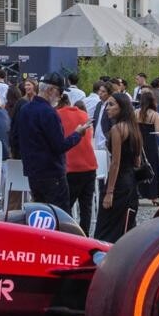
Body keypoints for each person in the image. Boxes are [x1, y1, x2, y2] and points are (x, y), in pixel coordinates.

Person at [12, 73, 84, 209]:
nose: (60, 96)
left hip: (33, 171)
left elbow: (15, 137)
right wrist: (77, 134)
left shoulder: (25, 109)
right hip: (51, 172)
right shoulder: (49, 112)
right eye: (60, 92)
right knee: (59, 214)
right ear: (51, 90)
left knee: (40, 213)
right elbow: (59, 146)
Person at [96, 92, 143, 242]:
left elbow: (115, 162)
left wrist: (109, 192)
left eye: (111, 105)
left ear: (121, 107)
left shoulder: (117, 129)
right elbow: (137, 161)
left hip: (118, 182)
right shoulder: (134, 127)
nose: (107, 108)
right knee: (126, 224)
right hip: (131, 182)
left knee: (106, 227)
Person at [60, 92, 97, 227]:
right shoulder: (83, 114)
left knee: (66, 206)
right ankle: (85, 234)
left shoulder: (57, 115)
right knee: (86, 206)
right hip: (90, 165)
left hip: (71, 166)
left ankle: (69, 233)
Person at [136, 88, 159, 205]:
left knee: (138, 167)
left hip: (139, 143)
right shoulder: (155, 115)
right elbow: (158, 132)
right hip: (150, 144)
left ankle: (138, 193)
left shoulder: (136, 112)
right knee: (153, 168)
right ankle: (154, 196)